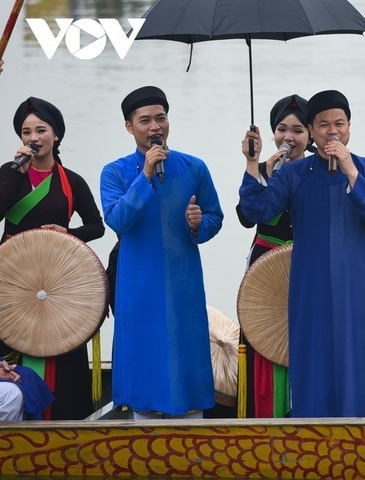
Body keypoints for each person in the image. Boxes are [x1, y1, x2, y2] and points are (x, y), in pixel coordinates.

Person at [238, 90, 365, 418]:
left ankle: (361, 433)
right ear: (312, 130)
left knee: (358, 358)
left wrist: (351, 171)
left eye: (339, 123)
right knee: (313, 358)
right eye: (323, 125)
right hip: (310, 287)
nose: (332, 131)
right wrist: (253, 163)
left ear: (350, 128)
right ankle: (312, 434)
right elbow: (257, 210)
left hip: (358, 287)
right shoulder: (294, 174)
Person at [100, 86, 224, 420]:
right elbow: (118, 220)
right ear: (129, 127)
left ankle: (193, 434)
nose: (155, 127)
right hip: (139, 282)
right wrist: (146, 176)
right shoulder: (115, 172)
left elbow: (215, 217)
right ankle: (143, 434)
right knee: (144, 353)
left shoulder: (194, 168)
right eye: (145, 121)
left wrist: (199, 224)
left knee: (184, 350)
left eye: (161, 118)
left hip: (183, 279)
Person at [0, 97, 105, 419]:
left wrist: (68, 233)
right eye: (26, 131)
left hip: (58, 283)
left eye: (41, 130)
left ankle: (65, 425)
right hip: (13, 281)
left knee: (64, 352)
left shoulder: (70, 180)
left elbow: (97, 226)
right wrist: (17, 172)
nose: (33, 138)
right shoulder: (9, 173)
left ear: (56, 135)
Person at [235, 94, 309, 418]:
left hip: (305, 265)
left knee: (305, 339)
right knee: (263, 338)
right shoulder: (264, 170)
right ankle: (263, 415)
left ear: (311, 134)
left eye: (297, 130)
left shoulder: (319, 171)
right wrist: (253, 164)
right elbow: (245, 216)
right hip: (264, 264)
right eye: (281, 129)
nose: (288, 137)